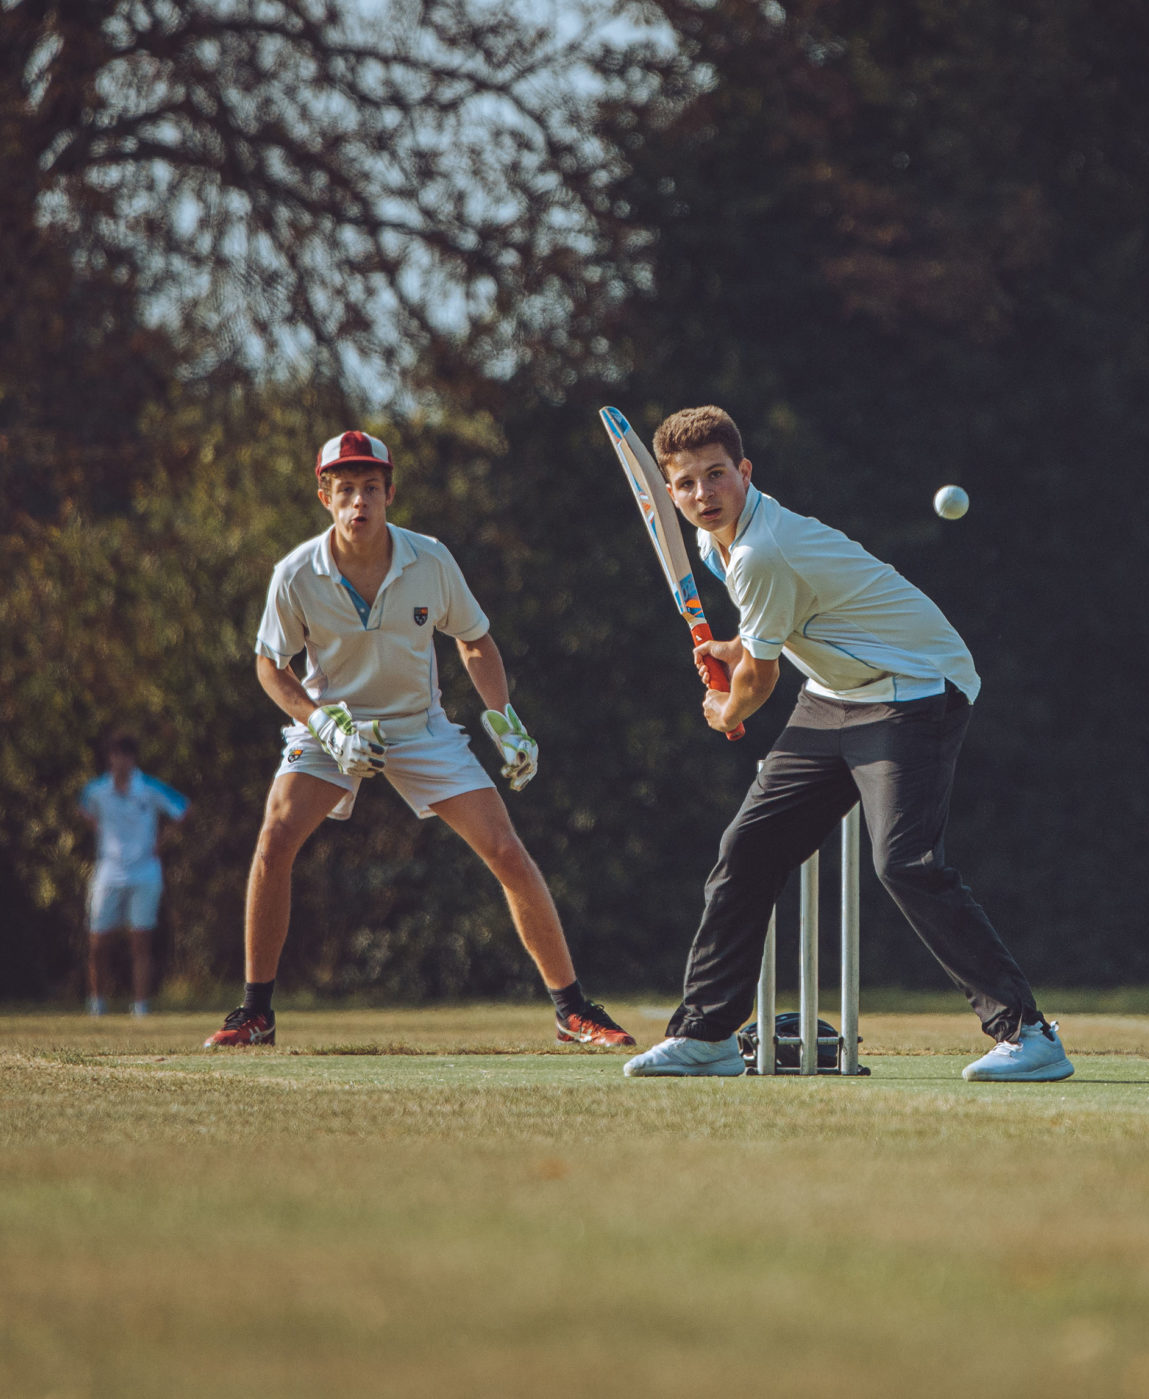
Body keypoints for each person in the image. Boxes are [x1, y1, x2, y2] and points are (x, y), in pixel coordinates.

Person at [621, 406, 1072, 1082]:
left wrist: (725, 707)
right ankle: (707, 1034)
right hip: (837, 693)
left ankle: (1029, 1034)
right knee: (747, 851)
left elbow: (760, 679)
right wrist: (737, 645)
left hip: (916, 687)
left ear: (745, 472)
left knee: (905, 863)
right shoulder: (727, 543)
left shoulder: (760, 549)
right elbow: (782, 623)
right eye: (684, 484)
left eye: (716, 476)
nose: (702, 495)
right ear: (671, 491)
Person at [204, 431, 634, 1049]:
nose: (360, 504)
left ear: (390, 494)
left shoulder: (429, 560)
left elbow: (474, 639)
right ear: (325, 496)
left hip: (418, 727)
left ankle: (572, 1010)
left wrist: (506, 722)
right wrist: (323, 722)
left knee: (506, 849)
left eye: (371, 489)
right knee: (275, 836)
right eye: (346, 490)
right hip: (330, 727)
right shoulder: (296, 573)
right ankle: (255, 1013)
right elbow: (270, 665)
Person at [79, 734, 188, 1017]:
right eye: (116, 755)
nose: (121, 761)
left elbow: (183, 809)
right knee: (98, 941)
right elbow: (83, 809)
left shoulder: (148, 788)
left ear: (133, 759)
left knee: (141, 940)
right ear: (110, 758)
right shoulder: (97, 790)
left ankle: (140, 1006)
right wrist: (101, 831)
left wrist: (160, 842)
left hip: (144, 871)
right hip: (109, 870)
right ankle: (96, 1003)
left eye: (126, 755)